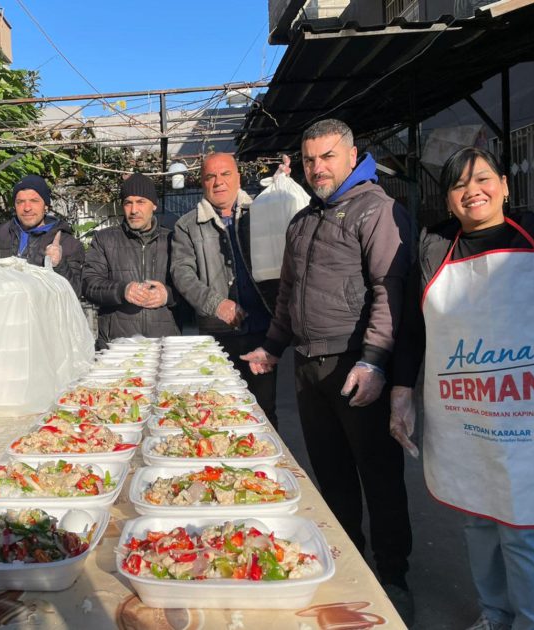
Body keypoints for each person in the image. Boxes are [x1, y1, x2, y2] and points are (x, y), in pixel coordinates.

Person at [241, 119, 414, 622]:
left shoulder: (377, 210)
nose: (318, 168)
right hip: (308, 367)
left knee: (378, 476)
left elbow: (389, 292)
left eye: (328, 157)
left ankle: (394, 576)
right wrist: (273, 347)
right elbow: (288, 296)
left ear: (352, 155)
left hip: (354, 365)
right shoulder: (302, 220)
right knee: (331, 476)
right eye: (310, 159)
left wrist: (374, 359)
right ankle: (348, 563)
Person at [390, 147, 534, 630]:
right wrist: (401, 391)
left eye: (482, 179)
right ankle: (494, 614)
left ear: (505, 185)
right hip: (463, 411)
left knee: (522, 526)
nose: (472, 191)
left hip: (525, 413)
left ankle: (531, 621)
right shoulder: (435, 247)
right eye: (459, 185)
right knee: (477, 519)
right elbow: (412, 328)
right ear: (449, 199)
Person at [170, 152, 280, 426]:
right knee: (220, 410)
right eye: (211, 176)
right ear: (202, 182)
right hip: (217, 336)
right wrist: (215, 303)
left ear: (238, 178)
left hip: (262, 330)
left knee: (263, 410)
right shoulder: (187, 225)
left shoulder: (261, 212)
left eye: (225, 174)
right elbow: (182, 273)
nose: (218, 182)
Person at [82, 173, 179, 348]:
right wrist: (122, 290)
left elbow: (191, 287)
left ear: (154, 205)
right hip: (116, 345)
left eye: (141, 202)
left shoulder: (173, 240)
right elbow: (89, 284)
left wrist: (168, 295)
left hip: (165, 345)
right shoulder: (105, 239)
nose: (134, 210)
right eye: (128, 203)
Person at [0, 174, 84, 295]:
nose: (27, 208)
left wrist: (58, 265)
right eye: (20, 202)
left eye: (34, 201)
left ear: (46, 206)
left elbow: (75, 292)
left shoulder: (68, 244)